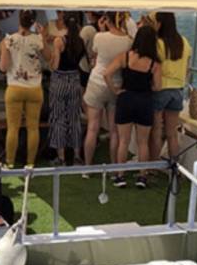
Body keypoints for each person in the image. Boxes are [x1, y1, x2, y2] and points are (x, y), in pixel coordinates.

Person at [103, 26, 162, 189]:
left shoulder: (125, 56)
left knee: (123, 141)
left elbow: (106, 74)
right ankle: (142, 177)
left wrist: (115, 90)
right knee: (143, 143)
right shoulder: (155, 64)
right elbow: (158, 87)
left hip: (126, 99)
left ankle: (120, 176)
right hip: (145, 101)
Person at [82, 11, 133, 168]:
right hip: (117, 84)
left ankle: (87, 167)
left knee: (92, 127)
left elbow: (94, 54)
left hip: (97, 82)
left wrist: (102, 30)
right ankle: (113, 166)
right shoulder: (128, 41)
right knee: (114, 131)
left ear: (107, 20)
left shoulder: (99, 36)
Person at [0, 10, 49, 167]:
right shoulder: (38, 40)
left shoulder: (9, 40)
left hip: (14, 87)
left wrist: (4, 50)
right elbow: (49, 57)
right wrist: (43, 37)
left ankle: (10, 163)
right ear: (34, 22)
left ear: (19, 20)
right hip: (34, 88)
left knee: (12, 128)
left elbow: (3, 67)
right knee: (33, 128)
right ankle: (30, 163)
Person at [150, 12, 193, 160]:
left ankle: (152, 165)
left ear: (160, 24)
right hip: (178, 90)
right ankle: (174, 165)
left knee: (156, 131)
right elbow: (187, 66)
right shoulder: (184, 42)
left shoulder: (158, 44)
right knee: (172, 133)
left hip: (160, 89)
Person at [48, 14, 86, 166]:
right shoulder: (81, 42)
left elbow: (55, 65)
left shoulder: (59, 41)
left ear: (64, 24)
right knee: (74, 118)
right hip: (75, 79)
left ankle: (61, 157)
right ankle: (76, 155)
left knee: (58, 118)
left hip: (60, 80)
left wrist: (50, 60)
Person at [79, 11, 103, 87]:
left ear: (91, 13)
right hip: (101, 67)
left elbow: (79, 48)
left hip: (86, 67)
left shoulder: (87, 29)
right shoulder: (107, 28)